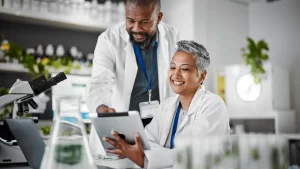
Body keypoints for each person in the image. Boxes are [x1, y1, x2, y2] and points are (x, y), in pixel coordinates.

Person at [103, 40, 230, 169]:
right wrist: (146, 154)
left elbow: (193, 155)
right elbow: (147, 142)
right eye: (173, 67)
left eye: (185, 69)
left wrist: (147, 158)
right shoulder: (166, 106)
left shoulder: (213, 105)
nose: (176, 74)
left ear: (202, 76)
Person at [86, 0, 179, 155]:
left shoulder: (173, 37)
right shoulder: (109, 39)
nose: (136, 28)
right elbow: (99, 82)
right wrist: (102, 109)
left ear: (159, 17)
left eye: (145, 22)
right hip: (121, 130)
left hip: (158, 133)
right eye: (130, 20)